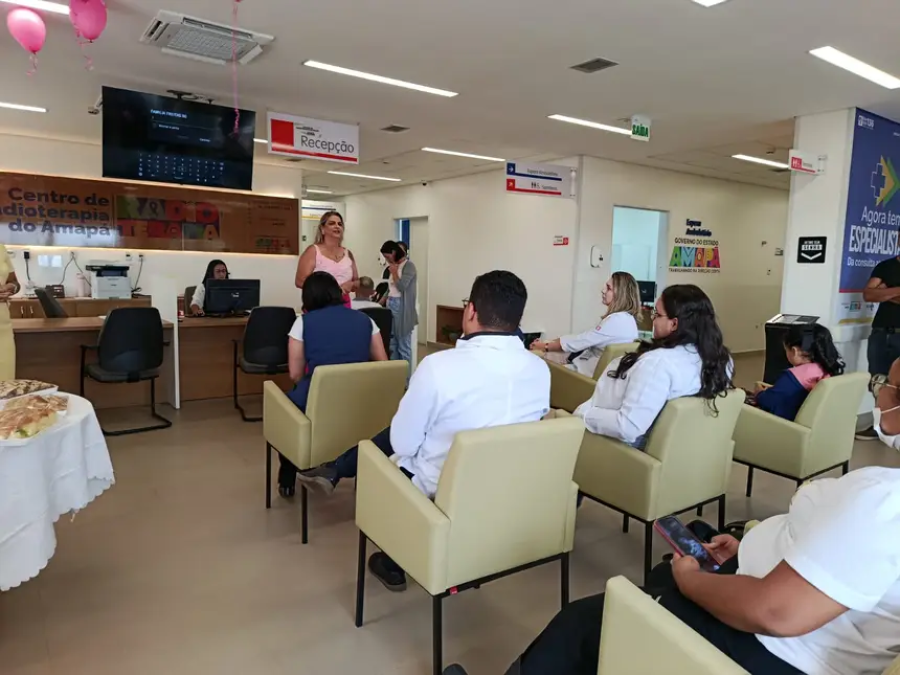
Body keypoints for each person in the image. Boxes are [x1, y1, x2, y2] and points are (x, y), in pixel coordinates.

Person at [447, 460, 900, 675]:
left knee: (583, 621)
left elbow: (777, 612)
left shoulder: (884, 499)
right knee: (667, 568)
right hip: (776, 605)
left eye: (888, 386)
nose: (878, 396)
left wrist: (693, 581)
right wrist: (750, 547)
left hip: (767, 644)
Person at [297, 270, 550, 590]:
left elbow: (402, 444)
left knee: (397, 442)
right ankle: (337, 469)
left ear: (470, 311)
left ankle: (392, 556)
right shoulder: (539, 370)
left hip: (436, 493)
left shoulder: (438, 367)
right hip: (503, 491)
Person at [572, 284, 732, 448]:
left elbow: (628, 427)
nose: (652, 319)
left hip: (619, 450)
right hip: (685, 449)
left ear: (674, 324)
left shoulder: (657, 364)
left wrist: (582, 414)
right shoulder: (722, 360)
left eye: (656, 314)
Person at [276, 271, 388, 498]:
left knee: (284, 413)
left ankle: (288, 472)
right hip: (360, 403)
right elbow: (383, 365)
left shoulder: (302, 323)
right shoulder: (367, 320)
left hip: (318, 403)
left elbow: (295, 374)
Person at [531, 272, 641, 377]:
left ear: (620, 294)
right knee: (552, 350)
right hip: (593, 369)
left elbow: (580, 342)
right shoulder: (629, 321)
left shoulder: (616, 321)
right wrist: (549, 344)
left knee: (537, 357)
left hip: (581, 376)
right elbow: (582, 340)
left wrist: (544, 346)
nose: (603, 291)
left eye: (608, 288)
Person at [747, 324, 844, 422]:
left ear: (794, 351)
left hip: (786, 426)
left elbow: (769, 401)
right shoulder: (828, 369)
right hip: (817, 424)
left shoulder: (792, 377)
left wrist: (759, 394)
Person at [857, 246, 900, 439]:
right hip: (881, 333)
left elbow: (877, 293)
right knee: (878, 382)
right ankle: (878, 427)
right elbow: (868, 295)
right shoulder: (886, 267)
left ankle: (895, 427)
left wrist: (885, 291)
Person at [294, 211, 359, 304]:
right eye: (332, 223)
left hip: (343, 303)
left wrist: (351, 285)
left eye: (340, 224)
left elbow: (357, 281)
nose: (337, 226)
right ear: (322, 229)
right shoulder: (313, 251)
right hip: (319, 303)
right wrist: (328, 291)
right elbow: (300, 281)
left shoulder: (348, 253)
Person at [380, 240, 418, 366]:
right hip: (391, 303)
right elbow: (390, 288)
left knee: (403, 345)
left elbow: (402, 286)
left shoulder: (409, 266)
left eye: (387, 256)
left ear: (394, 252)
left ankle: (406, 382)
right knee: (393, 344)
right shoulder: (393, 266)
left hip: (402, 307)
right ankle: (396, 377)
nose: (386, 259)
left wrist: (395, 272)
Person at [0, 244, 20, 380]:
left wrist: (10, 287)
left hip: (2, 327)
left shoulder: (1, 248)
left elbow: (14, 282)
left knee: (5, 380)